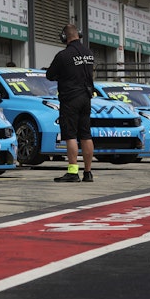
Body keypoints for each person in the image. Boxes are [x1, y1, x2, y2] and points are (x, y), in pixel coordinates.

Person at [45, 24, 94, 183]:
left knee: (70, 135)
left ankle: (73, 172)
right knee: (86, 135)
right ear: (79, 35)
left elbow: (49, 75)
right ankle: (88, 173)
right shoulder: (89, 53)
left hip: (70, 99)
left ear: (64, 37)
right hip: (86, 98)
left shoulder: (63, 55)